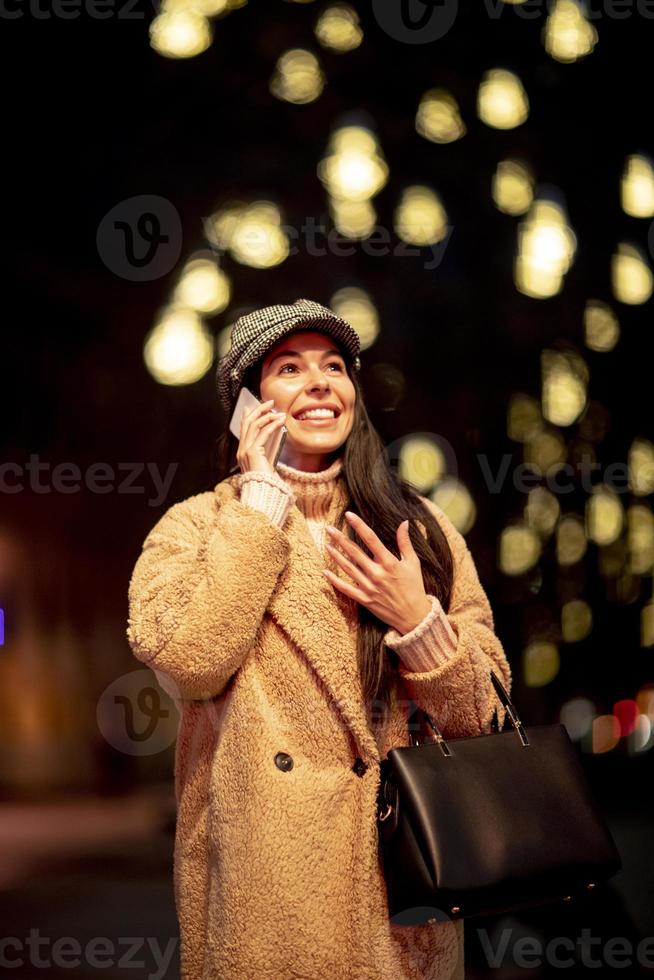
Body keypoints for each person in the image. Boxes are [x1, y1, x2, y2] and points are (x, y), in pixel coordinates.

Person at [126, 298, 512, 980]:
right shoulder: (195, 529)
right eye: (289, 368)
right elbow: (191, 660)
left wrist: (418, 624)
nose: (320, 382)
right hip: (262, 898)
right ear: (246, 405)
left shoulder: (418, 529)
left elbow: (484, 716)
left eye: (335, 366)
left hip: (401, 898)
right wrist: (259, 507)